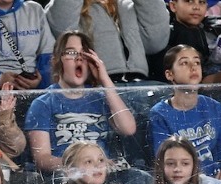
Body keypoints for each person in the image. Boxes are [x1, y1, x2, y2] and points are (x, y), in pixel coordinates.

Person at [24, 30, 138, 173]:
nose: (79, 58)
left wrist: (104, 79)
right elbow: (42, 159)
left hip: (104, 175)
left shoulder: (102, 97)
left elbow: (128, 129)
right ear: (57, 60)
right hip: (67, 179)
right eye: (71, 53)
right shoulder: (43, 103)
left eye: (84, 54)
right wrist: (79, 166)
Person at [147, 46, 221, 184]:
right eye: (184, 63)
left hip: (220, 180)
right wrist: (208, 177)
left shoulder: (214, 107)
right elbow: (166, 162)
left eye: (196, 63)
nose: (193, 68)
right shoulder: (160, 114)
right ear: (170, 74)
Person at [44, 0, 171, 80]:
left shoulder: (129, 6)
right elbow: (63, 32)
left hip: (139, 85)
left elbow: (155, 42)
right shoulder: (69, 8)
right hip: (94, 87)